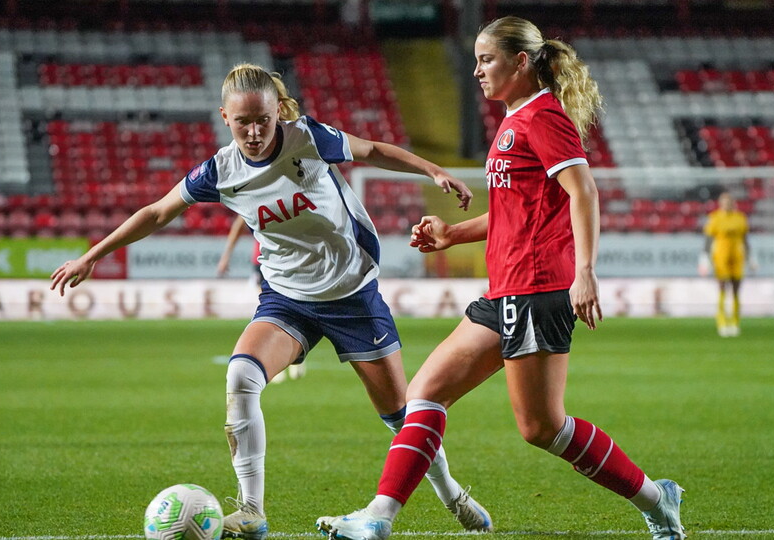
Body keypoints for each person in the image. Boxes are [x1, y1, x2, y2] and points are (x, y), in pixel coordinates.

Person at [50, 63, 492, 540]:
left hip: (352, 294)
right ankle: (252, 509)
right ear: (225, 117)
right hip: (287, 299)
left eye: (264, 119)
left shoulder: (309, 138)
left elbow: (372, 150)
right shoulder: (220, 170)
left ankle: (450, 491)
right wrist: (92, 255)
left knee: (400, 415)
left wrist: (432, 170)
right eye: (244, 122)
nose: (256, 131)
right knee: (241, 375)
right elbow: (157, 211)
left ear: (278, 111)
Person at [316, 16, 685, 540]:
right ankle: (378, 519)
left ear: (520, 62)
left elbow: (584, 192)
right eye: (475, 60)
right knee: (424, 393)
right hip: (505, 289)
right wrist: (451, 234)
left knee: (542, 428)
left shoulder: (544, 118)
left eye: (486, 60)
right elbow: (516, 212)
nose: (476, 71)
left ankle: (656, 497)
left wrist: (584, 271)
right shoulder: (514, 121)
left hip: (537, 289)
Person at [217, 217, 303, 382]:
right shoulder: (255, 197)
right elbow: (238, 224)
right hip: (264, 259)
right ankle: (286, 358)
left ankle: (288, 356)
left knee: (281, 307)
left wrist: (226, 255)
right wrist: (226, 255)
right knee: (274, 308)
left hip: (281, 259)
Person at [699, 191, 751, 337]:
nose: (727, 204)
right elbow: (708, 240)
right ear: (720, 204)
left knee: (736, 289)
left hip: (737, 257)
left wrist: (750, 258)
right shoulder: (715, 218)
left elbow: (745, 239)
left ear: (733, 203)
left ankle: (734, 322)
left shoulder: (740, 218)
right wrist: (705, 257)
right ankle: (722, 322)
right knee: (722, 288)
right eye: (724, 202)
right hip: (721, 257)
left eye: (729, 202)